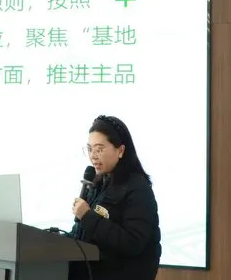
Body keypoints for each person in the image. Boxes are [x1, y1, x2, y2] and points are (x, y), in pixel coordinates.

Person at [67, 115, 162, 280]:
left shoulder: (138, 188)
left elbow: (133, 243)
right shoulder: (96, 185)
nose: (93, 156)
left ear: (121, 150)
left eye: (99, 149)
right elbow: (84, 235)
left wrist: (87, 216)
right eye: (89, 149)